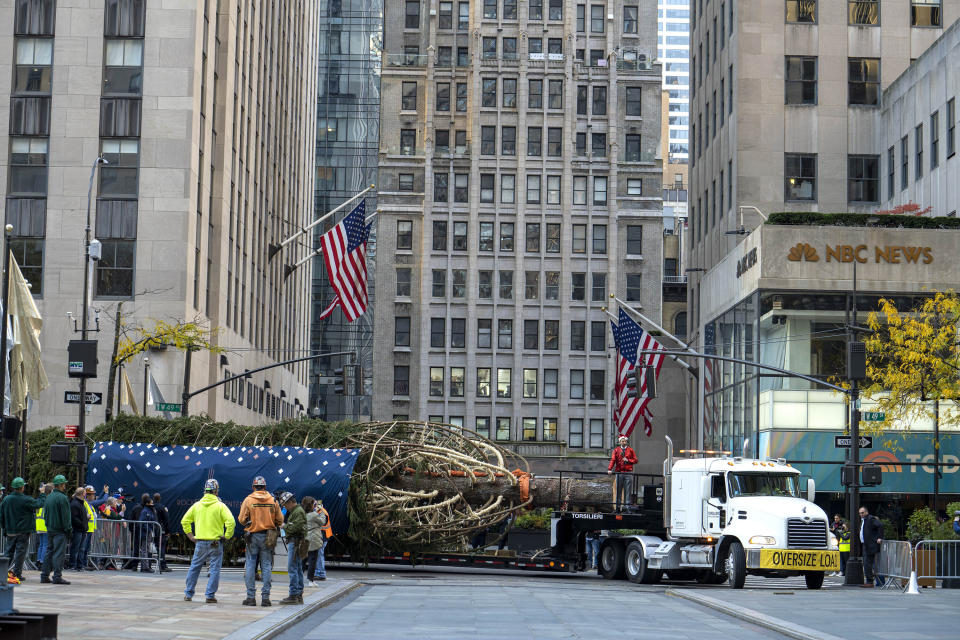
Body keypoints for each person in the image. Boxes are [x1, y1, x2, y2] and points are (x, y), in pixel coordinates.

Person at [181, 479, 235, 603]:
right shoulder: (220, 506)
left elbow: (185, 521)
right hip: (215, 542)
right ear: (216, 491)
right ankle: (210, 596)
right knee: (214, 569)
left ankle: (188, 593)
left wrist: (190, 536)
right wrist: (227, 535)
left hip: (200, 542)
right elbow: (231, 522)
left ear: (205, 491)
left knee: (195, 567)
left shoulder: (197, 505)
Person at [238, 476, 283, 607]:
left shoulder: (248, 500)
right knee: (267, 566)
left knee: (251, 565)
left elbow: (241, 519)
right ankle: (266, 598)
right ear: (265, 487)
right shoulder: (273, 500)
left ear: (253, 487)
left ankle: (250, 597)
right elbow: (280, 520)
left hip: (252, 536)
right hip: (268, 536)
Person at [0, 477, 46, 582]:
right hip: (23, 531)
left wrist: (5, 529)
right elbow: (40, 503)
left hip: (10, 531)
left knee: (8, 553)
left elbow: (1, 516)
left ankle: (3, 573)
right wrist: (42, 493)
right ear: (22, 487)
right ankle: (17, 573)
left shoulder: (6, 499)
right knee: (20, 553)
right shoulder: (26, 499)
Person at [41, 475, 72, 585]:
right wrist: (68, 530)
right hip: (60, 530)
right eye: (64, 484)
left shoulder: (49, 497)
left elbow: (46, 514)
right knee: (59, 554)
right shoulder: (63, 498)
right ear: (62, 485)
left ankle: (44, 575)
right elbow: (66, 517)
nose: (65, 486)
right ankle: (57, 576)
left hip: (50, 529)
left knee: (49, 552)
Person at [279, 492, 306, 605]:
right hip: (297, 543)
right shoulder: (296, 511)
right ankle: (298, 594)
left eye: (285, 505)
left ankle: (294, 595)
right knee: (297, 568)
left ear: (291, 502)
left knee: (292, 568)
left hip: (295, 543)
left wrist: (284, 526)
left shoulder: (297, 512)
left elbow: (295, 528)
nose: (285, 507)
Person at [607, 435, 638, 510]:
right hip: (619, 472)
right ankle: (617, 507)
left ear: (626, 442)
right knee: (618, 490)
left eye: (625, 441)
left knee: (628, 490)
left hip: (628, 472)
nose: (624, 442)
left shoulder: (630, 450)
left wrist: (628, 460)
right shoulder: (616, 450)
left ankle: (627, 507)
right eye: (622, 441)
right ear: (620, 442)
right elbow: (613, 460)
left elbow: (635, 460)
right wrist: (610, 468)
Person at [307, 498, 333, 584]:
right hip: (322, 536)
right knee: (318, 554)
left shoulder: (321, 512)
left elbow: (321, 523)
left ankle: (321, 573)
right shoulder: (318, 512)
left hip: (323, 537)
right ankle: (319, 572)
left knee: (319, 554)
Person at [859, 505, 884, 587]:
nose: (861, 514)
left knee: (869, 564)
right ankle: (871, 581)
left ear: (866, 512)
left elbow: (880, 525)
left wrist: (879, 537)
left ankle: (870, 582)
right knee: (868, 564)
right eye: (860, 513)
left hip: (870, 545)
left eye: (862, 513)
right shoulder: (865, 520)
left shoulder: (870, 519)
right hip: (866, 544)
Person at [69, 488, 89, 571]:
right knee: (76, 548)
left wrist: (86, 519)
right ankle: (73, 565)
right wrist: (82, 523)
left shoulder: (81, 503)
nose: (86, 494)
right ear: (82, 494)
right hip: (77, 529)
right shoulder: (75, 504)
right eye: (85, 493)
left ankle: (79, 565)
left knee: (81, 549)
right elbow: (74, 518)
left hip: (82, 529)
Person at [137, 495, 159, 572]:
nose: (152, 504)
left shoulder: (149, 510)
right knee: (145, 550)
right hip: (145, 533)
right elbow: (142, 522)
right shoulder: (145, 511)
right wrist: (149, 529)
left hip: (148, 532)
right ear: (147, 503)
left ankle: (146, 566)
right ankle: (144, 567)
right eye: (151, 503)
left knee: (146, 549)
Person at [34, 483, 52, 567]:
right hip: (45, 526)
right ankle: (42, 562)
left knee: (41, 545)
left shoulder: (39, 500)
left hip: (39, 525)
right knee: (45, 544)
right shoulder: (47, 500)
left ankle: (38, 560)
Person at [153, 493, 171, 572]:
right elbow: (166, 520)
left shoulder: (151, 507)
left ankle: (148, 564)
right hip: (161, 530)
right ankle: (163, 565)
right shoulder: (162, 507)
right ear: (160, 498)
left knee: (151, 547)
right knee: (161, 547)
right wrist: (167, 531)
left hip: (152, 529)